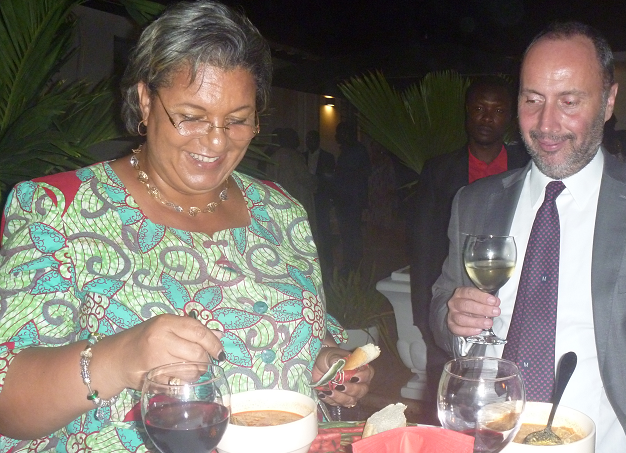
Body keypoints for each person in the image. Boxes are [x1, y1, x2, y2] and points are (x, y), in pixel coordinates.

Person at [0, 2, 373, 451]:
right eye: (192, 116)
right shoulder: (56, 209)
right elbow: (7, 401)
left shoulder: (280, 210)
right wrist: (118, 358)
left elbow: (305, 329)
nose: (216, 140)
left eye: (237, 120)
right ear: (145, 100)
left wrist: (326, 362)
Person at [430, 21, 626, 452]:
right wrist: (452, 319)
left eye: (569, 101)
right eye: (532, 99)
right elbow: (443, 302)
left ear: (609, 101)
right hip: (489, 440)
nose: (546, 123)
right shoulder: (474, 202)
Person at [410, 75, 529, 418]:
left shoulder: (527, 168)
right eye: (479, 108)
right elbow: (423, 247)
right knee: (449, 401)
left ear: (510, 117)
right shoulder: (439, 170)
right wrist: (429, 316)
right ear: (467, 112)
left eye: (498, 110)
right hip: (452, 306)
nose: (487, 118)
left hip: (509, 310)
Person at [332, 121, 370, 274]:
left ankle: (354, 266)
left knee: (352, 234)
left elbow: (353, 176)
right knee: (346, 234)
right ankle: (349, 265)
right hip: (345, 199)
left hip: (351, 199)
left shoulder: (356, 151)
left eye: (340, 133)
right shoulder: (348, 150)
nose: (337, 136)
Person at [303, 130, 336, 276]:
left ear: (318, 140)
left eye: (312, 139)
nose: (309, 141)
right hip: (306, 198)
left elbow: (330, 179)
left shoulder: (327, 157)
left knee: (323, 230)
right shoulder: (301, 156)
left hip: (321, 199)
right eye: (308, 139)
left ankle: (327, 263)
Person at [267, 127, 317, 218]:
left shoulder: (273, 157)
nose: (298, 141)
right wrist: (318, 182)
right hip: (297, 202)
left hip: (279, 202)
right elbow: (305, 178)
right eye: (296, 138)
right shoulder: (295, 157)